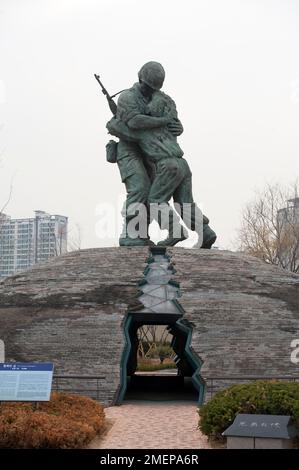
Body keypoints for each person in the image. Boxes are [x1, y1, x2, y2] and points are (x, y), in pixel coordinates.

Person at [107, 61, 216, 248]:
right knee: (181, 202)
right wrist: (164, 122)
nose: (150, 92)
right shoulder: (130, 98)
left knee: (156, 200)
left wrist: (114, 125)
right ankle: (204, 232)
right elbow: (133, 122)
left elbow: (132, 125)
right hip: (176, 162)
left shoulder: (159, 108)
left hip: (165, 164)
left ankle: (175, 230)